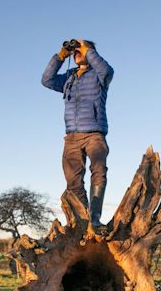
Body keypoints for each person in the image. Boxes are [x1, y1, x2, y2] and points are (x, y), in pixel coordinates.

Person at [41, 39, 114, 227]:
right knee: (72, 180)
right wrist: (60, 56)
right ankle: (81, 222)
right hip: (71, 136)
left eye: (80, 51)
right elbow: (46, 80)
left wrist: (87, 49)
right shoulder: (69, 77)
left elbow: (107, 70)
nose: (77, 54)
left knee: (98, 171)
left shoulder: (99, 75)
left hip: (94, 134)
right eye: (75, 52)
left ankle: (95, 218)